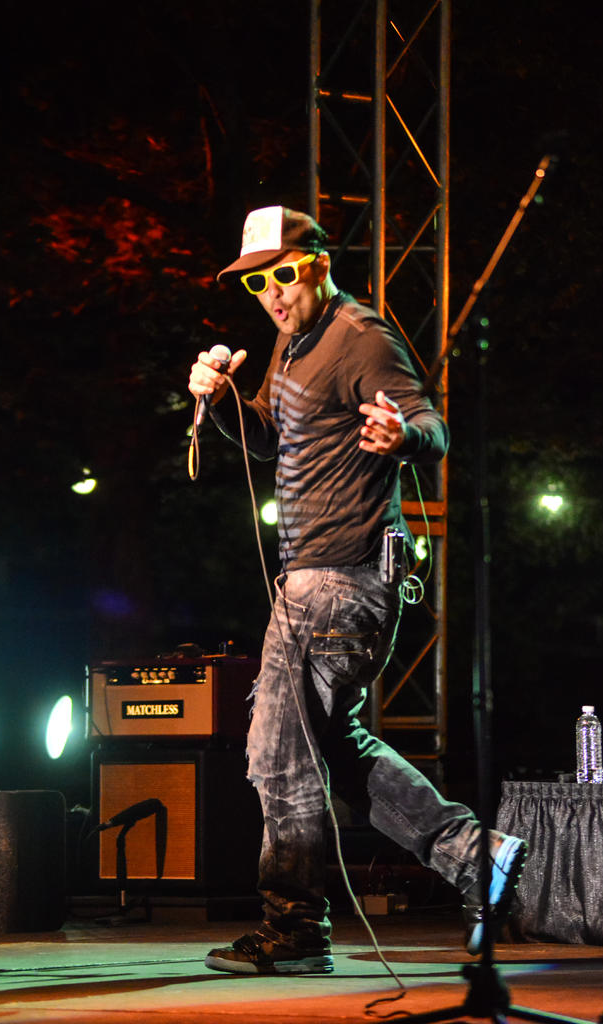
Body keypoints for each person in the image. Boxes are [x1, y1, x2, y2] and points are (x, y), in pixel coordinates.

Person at [188, 205, 526, 976]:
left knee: (277, 753)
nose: (273, 294)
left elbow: (432, 425)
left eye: (282, 274)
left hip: (339, 579)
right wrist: (224, 398)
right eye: (256, 284)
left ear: (317, 262)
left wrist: (402, 435)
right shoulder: (292, 342)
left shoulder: (360, 335)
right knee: (329, 743)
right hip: (315, 580)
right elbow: (270, 437)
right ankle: (474, 854)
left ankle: (296, 931)